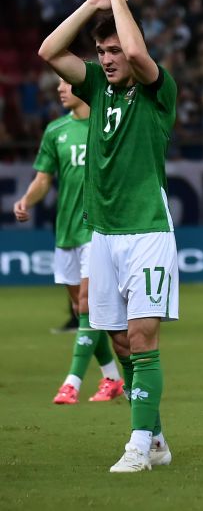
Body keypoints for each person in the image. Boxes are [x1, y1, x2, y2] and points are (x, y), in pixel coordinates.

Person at [37, 0, 180, 473]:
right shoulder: (96, 85)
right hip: (102, 231)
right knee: (119, 341)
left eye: (113, 50)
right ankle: (156, 436)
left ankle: (138, 444)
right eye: (101, 52)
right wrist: (92, 4)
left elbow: (139, 54)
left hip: (147, 229)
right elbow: (49, 51)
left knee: (142, 338)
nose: (108, 58)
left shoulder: (158, 89)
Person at [14, 80, 123, 404]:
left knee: (87, 305)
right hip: (67, 231)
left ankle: (71, 383)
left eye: (66, 83)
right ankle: (112, 378)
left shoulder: (107, 125)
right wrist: (27, 200)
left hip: (97, 228)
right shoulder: (56, 131)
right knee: (82, 310)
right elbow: (43, 178)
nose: (61, 89)